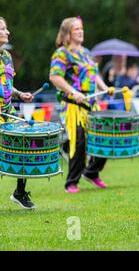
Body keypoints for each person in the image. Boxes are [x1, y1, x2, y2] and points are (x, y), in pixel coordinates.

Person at [49, 17, 113, 193]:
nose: (80, 31)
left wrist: (105, 88)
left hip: (92, 104)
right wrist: (72, 92)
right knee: (78, 142)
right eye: (76, 29)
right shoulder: (62, 53)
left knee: (103, 138)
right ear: (67, 33)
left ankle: (92, 172)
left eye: (81, 28)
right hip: (73, 106)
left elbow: (94, 75)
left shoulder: (86, 52)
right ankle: (72, 182)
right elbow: (55, 77)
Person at [0, 17, 35, 209]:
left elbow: (7, 85)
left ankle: (20, 192)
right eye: (3, 29)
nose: (7, 32)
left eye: (6, 28)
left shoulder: (6, 56)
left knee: (23, 145)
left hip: (8, 111)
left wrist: (20, 94)